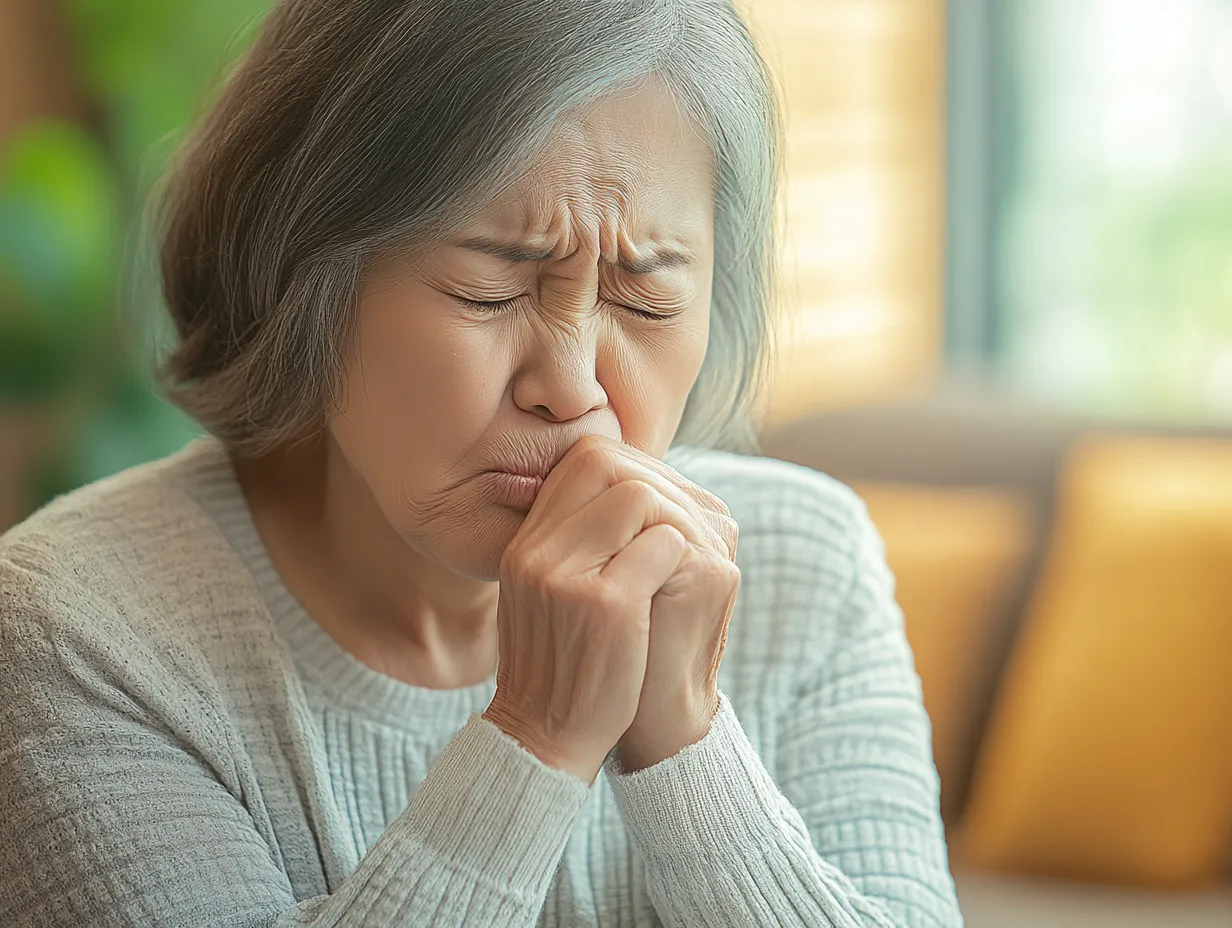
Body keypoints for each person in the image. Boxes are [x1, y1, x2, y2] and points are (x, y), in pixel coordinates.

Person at [0, 1, 964, 925]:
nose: (574, 386)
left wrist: (685, 739)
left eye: (646, 300)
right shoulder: (77, 633)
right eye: (491, 287)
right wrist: (537, 741)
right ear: (303, 276)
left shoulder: (809, 566)